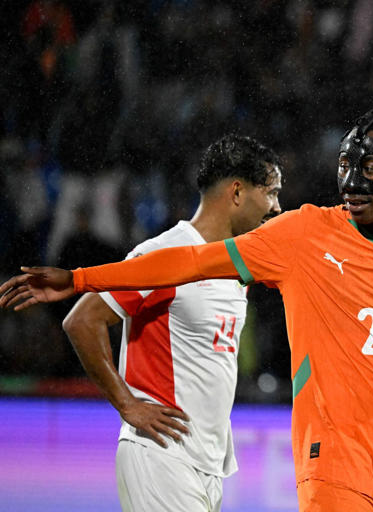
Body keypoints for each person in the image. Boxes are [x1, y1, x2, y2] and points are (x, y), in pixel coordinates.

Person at [0, 109, 373, 512]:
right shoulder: (304, 234)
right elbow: (186, 262)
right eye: (346, 167)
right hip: (332, 459)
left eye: (369, 167)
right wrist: (80, 276)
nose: (352, 181)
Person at [60, 134, 283, 511]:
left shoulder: (235, 266)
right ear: (237, 191)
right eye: (272, 192)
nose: (277, 208)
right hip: (161, 455)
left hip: (205, 464)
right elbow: (82, 319)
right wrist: (128, 405)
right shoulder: (166, 253)